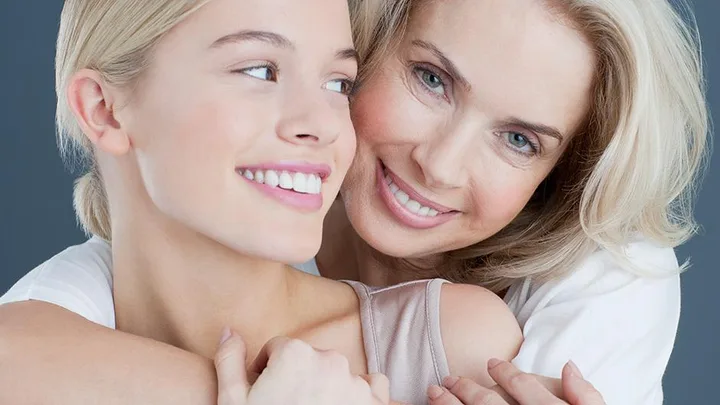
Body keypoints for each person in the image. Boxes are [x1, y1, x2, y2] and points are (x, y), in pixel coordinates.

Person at [0, 0, 708, 404]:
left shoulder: (518, 324)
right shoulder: (69, 313)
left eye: (520, 139)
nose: (439, 162)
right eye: (431, 78)